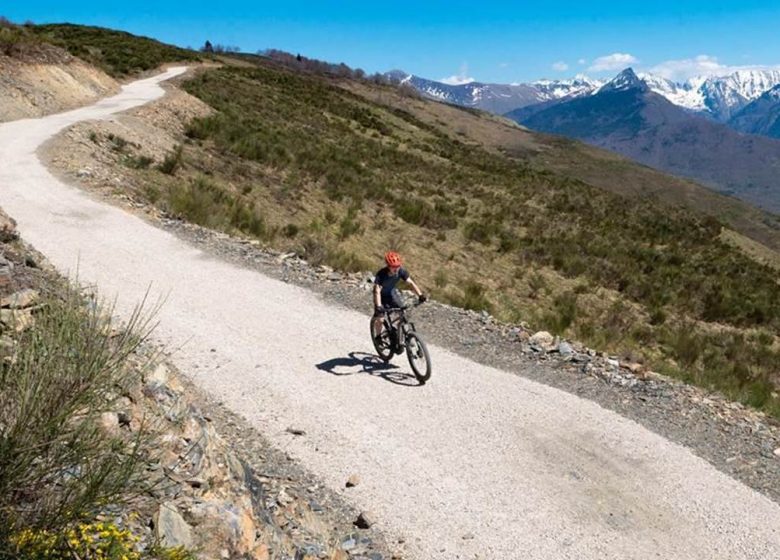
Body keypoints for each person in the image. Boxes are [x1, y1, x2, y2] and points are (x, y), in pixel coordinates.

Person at [372, 251, 426, 346]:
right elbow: (377, 291)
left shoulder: (401, 271)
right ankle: (378, 337)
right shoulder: (381, 274)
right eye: (394, 267)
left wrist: (420, 295)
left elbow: (411, 283)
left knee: (403, 313)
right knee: (380, 318)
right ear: (388, 266)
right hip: (380, 296)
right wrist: (379, 306)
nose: (396, 269)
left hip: (391, 293)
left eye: (398, 266)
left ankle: (398, 333)